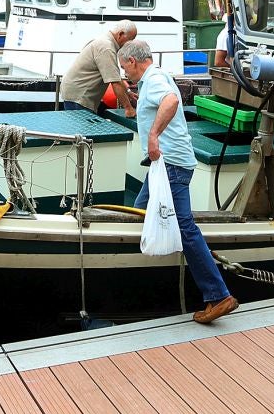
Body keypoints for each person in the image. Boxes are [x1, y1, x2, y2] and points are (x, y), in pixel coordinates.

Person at [119, 39, 238, 324]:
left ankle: (218, 294)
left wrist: (152, 135)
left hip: (170, 165)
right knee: (140, 211)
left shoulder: (155, 79)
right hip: (163, 167)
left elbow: (171, 101)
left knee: (184, 227)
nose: (125, 75)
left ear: (134, 62)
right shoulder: (154, 79)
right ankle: (137, 277)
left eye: (125, 69)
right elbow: (162, 101)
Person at [61, 20, 137, 116]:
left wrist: (128, 91)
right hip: (80, 96)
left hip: (74, 92)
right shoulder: (106, 47)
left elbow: (115, 75)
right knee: (81, 129)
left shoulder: (104, 40)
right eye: (130, 39)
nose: (130, 44)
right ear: (120, 34)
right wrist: (129, 108)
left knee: (76, 128)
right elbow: (115, 82)